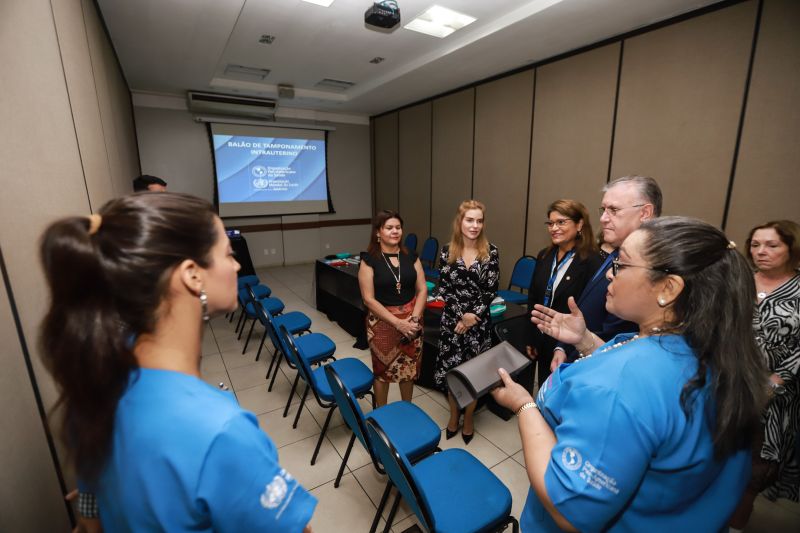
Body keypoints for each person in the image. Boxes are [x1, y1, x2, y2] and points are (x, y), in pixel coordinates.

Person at [39, 193, 316, 531]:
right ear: (192, 275)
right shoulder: (221, 434)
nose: (236, 265)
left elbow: (90, 517)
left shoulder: (96, 379)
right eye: (228, 254)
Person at [491, 216, 767, 532]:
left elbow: (569, 509)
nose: (609, 273)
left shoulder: (621, 386)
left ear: (668, 288)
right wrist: (585, 340)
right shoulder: (715, 353)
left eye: (621, 266)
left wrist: (524, 406)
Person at [729, 220, 800, 530]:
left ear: (791, 249)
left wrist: (776, 382)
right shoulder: (739, 281)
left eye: (772, 245)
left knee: (753, 472)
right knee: (718, 462)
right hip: (727, 385)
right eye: (755, 245)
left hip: (774, 398)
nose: (761, 251)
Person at [550, 175, 662, 371]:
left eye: (614, 210)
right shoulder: (615, 253)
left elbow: (619, 337)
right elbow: (586, 306)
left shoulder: (651, 269)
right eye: (603, 210)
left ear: (645, 213)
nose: (603, 218)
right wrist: (563, 346)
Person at [433, 200, 500, 445]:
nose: (474, 225)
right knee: (453, 375)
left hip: (479, 324)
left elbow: (491, 290)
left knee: (474, 375)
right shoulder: (446, 250)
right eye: (469, 220)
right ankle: (453, 416)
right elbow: (445, 289)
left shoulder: (491, 251)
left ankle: (469, 418)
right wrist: (462, 315)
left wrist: (472, 317)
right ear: (460, 222)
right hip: (452, 322)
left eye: (479, 220)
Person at [527, 199, 602, 388]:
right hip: (543, 334)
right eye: (550, 223)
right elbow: (533, 298)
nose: (554, 228)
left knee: (561, 393)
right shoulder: (544, 255)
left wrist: (564, 347)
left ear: (579, 224)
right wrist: (531, 337)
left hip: (569, 343)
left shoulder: (592, 261)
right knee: (544, 387)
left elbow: (590, 311)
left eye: (561, 222)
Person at [358, 210, 427, 407]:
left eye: (398, 227)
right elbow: (368, 300)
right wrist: (398, 323)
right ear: (378, 232)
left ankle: (407, 410)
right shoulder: (369, 260)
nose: (395, 231)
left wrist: (413, 320)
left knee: (408, 370)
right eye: (389, 228)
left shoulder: (411, 256)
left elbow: (422, 290)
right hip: (382, 325)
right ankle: (383, 417)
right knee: (383, 373)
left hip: (412, 323)